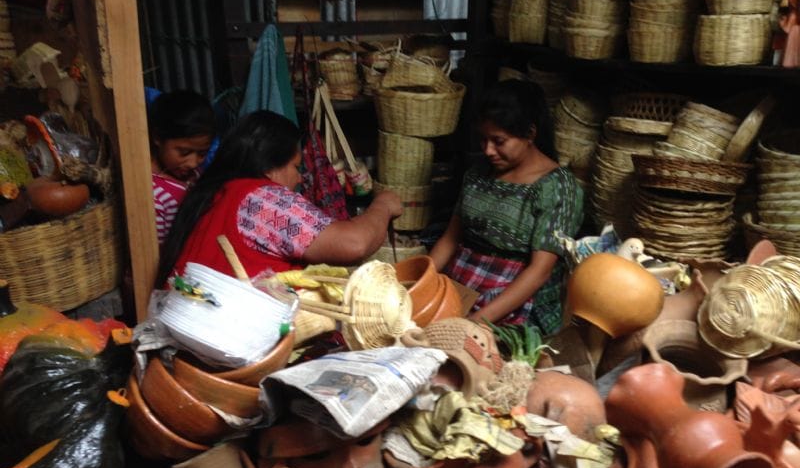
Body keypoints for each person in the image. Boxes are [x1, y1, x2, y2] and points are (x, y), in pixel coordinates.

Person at [155, 110, 402, 287]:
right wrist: (384, 205)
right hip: (233, 342)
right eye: (296, 168)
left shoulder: (209, 194)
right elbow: (354, 244)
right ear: (270, 167)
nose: (298, 179)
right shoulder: (261, 199)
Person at [429, 79, 583, 335]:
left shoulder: (557, 187)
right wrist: (418, 283)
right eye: (483, 139)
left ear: (530, 134)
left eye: (498, 141)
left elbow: (539, 271)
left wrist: (476, 322)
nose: (488, 150)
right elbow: (450, 239)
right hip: (461, 288)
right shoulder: (477, 175)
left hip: (515, 301)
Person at [148, 90, 216, 245]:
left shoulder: (195, 174)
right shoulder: (154, 196)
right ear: (158, 137)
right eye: (184, 152)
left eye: (202, 153)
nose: (193, 163)